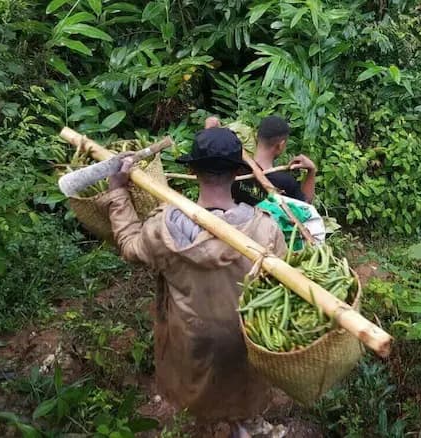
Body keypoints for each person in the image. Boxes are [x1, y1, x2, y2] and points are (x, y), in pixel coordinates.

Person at [97, 127, 287, 436]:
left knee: (198, 396)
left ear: (191, 170)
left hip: (192, 337)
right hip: (244, 339)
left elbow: (130, 247)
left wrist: (118, 193)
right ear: (238, 172)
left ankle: (209, 425)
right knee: (244, 386)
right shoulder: (266, 231)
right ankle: (247, 423)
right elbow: (279, 291)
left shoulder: (163, 228)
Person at [226, 115, 317, 205]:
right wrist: (311, 171)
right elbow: (305, 208)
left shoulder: (236, 169)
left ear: (256, 136)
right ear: (281, 145)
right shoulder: (286, 183)